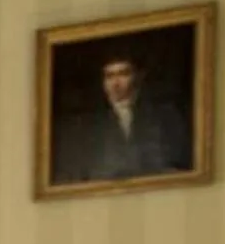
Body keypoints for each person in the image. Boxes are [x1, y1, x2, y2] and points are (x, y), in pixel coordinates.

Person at [60, 50, 193, 183]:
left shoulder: (165, 116)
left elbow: (178, 164)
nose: (115, 83)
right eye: (109, 76)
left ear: (138, 76)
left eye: (123, 74)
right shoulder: (88, 125)